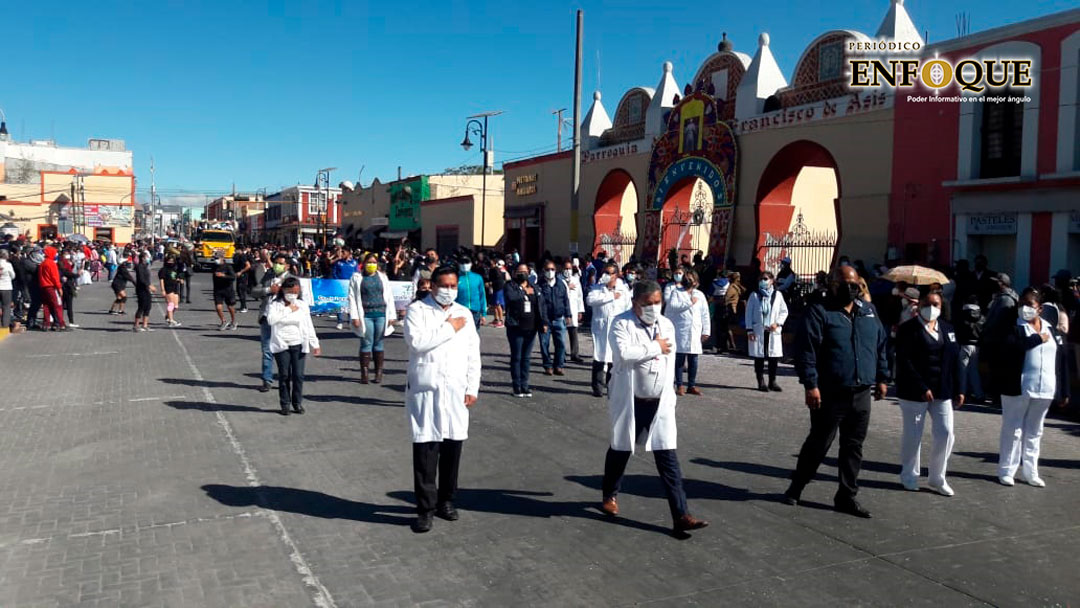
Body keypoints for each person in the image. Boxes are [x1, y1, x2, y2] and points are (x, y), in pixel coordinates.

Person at [599, 279, 710, 536]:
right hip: (630, 400)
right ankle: (609, 495)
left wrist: (670, 392)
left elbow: (669, 361)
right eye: (647, 304)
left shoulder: (667, 324)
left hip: (659, 402)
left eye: (657, 303)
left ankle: (680, 514)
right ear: (635, 303)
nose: (653, 308)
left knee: (667, 457)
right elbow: (624, 354)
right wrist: (654, 347)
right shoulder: (621, 323)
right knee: (620, 448)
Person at [785, 265, 889, 518]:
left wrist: (883, 378)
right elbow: (805, 350)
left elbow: (881, 345)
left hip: (861, 391)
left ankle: (846, 496)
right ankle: (797, 486)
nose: (850, 288)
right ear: (832, 284)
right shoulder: (820, 312)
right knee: (819, 443)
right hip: (830, 392)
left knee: (853, 446)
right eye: (844, 284)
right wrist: (811, 385)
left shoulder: (868, 312)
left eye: (854, 284)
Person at [403, 266, 481, 533]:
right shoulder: (418, 311)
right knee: (426, 450)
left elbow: (473, 353)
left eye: (453, 286)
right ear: (432, 286)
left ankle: (446, 501)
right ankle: (425, 509)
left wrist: (473, 386)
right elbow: (418, 343)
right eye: (444, 285)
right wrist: (449, 328)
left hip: (456, 389)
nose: (449, 290)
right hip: (427, 389)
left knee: (452, 448)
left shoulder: (464, 313)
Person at [996, 288, 1070, 487]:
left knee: (1035, 431)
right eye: (1022, 304)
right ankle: (1006, 470)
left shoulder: (1050, 327)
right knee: (1013, 429)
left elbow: (1060, 360)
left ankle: (1031, 471)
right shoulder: (1013, 326)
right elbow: (1011, 348)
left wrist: (1064, 391)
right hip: (1018, 386)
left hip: (1045, 387)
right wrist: (1037, 338)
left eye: (1030, 305)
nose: (1025, 309)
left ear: (1039, 308)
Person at [894, 290, 962, 496]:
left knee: (946, 433)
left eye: (936, 304)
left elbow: (955, 360)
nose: (931, 308)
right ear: (919, 304)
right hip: (915, 391)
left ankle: (937, 477)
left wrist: (960, 388)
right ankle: (909, 475)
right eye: (927, 303)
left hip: (942, 390)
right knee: (913, 435)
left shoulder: (948, 329)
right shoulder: (908, 329)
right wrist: (922, 387)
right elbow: (904, 361)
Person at [266, 277, 321, 416]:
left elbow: (308, 324)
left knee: (298, 375)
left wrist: (315, 343)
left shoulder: (302, 305)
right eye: (290, 291)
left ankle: (297, 403)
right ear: (283, 290)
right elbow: (271, 320)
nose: (293, 295)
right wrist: (288, 309)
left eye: (296, 292)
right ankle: (285, 404)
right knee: (284, 375)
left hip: (298, 343)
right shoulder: (274, 304)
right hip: (282, 344)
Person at [347, 253, 397, 384]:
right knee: (366, 342)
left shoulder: (382, 277)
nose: (372, 265)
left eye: (374, 262)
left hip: (381, 313)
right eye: (369, 262)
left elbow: (389, 297)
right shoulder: (357, 278)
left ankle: (378, 373)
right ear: (363, 264)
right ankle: (364, 373)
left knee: (379, 342)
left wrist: (392, 315)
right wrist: (354, 316)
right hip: (365, 315)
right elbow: (352, 298)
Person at [587, 262, 632, 397]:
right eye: (604, 272)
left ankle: (612, 387)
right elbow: (590, 300)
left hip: (617, 328)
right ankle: (597, 387)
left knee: (614, 358)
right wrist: (610, 296)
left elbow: (628, 308)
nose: (606, 275)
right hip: (600, 328)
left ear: (616, 275)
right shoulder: (597, 288)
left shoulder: (623, 290)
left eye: (609, 273)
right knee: (599, 356)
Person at [503, 263, 547, 397]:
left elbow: (541, 305)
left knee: (526, 358)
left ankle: (525, 385)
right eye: (519, 271)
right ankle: (517, 386)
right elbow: (511, 298)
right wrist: (523, 292)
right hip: (515, 326)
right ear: (515, 273)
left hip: (531, 327)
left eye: (525, 271)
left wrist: (544, 322)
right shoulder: (510, 286)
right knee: (517, 357)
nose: (522, 273)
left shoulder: (534, 287)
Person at [664, 269, 710, 396]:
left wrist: (706, 330)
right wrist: (689, 303)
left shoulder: (700, 295)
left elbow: (705, 314)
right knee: (679, 359)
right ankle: (679, 385)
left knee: (693, 360)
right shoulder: (676, 292)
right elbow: (673, 306)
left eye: (691, 279)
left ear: (696, 281)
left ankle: (692, 385)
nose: (689, 281)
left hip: (695, 331)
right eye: (687, 278)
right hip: (681, 330)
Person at [252, 253, 293, 392]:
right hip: (266, 317)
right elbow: (254, 291)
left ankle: (285, 379)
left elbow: (297, 300)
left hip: (283, 320)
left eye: (281, 263)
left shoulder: (291, 280)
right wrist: (268, 290)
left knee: (284, 351)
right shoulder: (269, 276)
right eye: (276, 262)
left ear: (287, 266)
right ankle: (266, 380)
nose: (277, 265)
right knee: (267, 350)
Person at [746, 271, 788, 392]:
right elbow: (748, 313)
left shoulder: (778, 295)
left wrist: (778, 323)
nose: (763, 281)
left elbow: (784, 311)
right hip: (758, 330)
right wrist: (749, 330)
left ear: (772, 281)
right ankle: (761, 381)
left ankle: (772, 381)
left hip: (772, 330)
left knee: (773, 357)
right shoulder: (754, 295)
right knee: (759, 357)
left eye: (765, 279)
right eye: (761, 279)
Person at [537, 260, 572, 376]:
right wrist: (543, 321)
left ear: (556, 271)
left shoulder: (561, 284)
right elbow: (539, 304)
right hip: (545, 321)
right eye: (547, 270)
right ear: (543, 271)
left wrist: (568, 315)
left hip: (559, 319)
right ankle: (547, 366)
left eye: (552, 269)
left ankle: (559, 365)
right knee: (544, 344)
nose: (550, 272)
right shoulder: (540, 285)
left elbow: (565, 300)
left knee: (561, 343)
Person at [955, 295, 985, 403]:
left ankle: (962, 393)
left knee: (962, 371)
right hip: (977, 346)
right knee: (974, 371)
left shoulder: (962, 314)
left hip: (964, 344)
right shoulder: (981, 316)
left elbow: (957, 328)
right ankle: (979, 394)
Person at [562, 258, 586, 363]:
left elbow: (580, 296)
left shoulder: (576, 280)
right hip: (562, 311)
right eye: (566, 268)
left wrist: (580, 311)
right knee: (561, 334)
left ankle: (574, 354)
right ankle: (561, 355)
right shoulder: (558, 279)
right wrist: (567, 287)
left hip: (574, 309)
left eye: (569, 268)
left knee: (574, 333)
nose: (568, 270)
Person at [39, 246, 66, 332]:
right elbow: (55, 277)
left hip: (43, 287)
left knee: (46, 306)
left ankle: (46, 324)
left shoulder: (42, 263)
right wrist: (59, 288)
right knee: (57, 305)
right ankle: (61, 324)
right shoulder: (51, 263)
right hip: (51, 287)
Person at [455, 256, 488, 327]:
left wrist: (483, 313)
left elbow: (482, 295)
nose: (464, 265)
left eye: (467, 262)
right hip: (460, 311)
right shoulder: (455, 277)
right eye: (462, 263)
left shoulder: (477, 277)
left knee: (474, 333)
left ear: (471, 264)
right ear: (458, 264)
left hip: (475, 311)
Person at [211, 255, 239, 331]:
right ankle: (223, 321)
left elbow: (233, 277)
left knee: (230, 307)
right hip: (218, 290)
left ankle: (233, 321)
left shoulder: (228, 267)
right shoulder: (214, 267)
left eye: (217, 259)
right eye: (214, 259)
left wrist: (223, 275)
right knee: (218, 307)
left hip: (228, 289)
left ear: (222, 259)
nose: (215, 260)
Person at [133, 252, 156, 332]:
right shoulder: (139, 267)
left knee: (148, 306)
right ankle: (136, 325)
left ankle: (145, 325)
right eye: (147, 257)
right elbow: (141, 279)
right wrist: (149, 285)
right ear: (143, 258)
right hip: (141, 289)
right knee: (141, 307)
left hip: (146, 289)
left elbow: (147, 278)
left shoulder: (145, 267)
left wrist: (150, 285)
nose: (148, 259)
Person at [158, 255, 183, 327]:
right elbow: (161, 280)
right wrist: (163, 290)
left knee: (176, 306)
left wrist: (179, 279)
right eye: (169, 260)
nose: (171, 262)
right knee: (171, 304)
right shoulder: (163, 270)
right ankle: (171, 320)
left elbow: (175, 277)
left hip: (175, 287)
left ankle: (168, 316)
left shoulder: (174, 269)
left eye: (172, 261)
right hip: (168, 288)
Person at [59, 250, 79, 328]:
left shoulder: (67, 262)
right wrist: (77, 274)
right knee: (68, 305)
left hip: (66, 285)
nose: (67, 255)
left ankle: (60, 320)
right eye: (66, 254)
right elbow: (68, 273)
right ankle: (70, 321)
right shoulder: (62, 263)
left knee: (62, 305)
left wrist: (72, 264)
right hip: (67, 286)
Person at [232, 245, 253, 312]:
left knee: (241, 291)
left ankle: (244, 307)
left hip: (243, 276)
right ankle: (243, 306)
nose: (235, 250)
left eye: (236, 249)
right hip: (240, 275)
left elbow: (248, 266)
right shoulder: (238, 256)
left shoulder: (243, 256)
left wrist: (241, 272)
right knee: (238, 290)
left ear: (240, 249)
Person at [488, 260, 508, 328]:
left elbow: (499, 280)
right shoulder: (493, 270)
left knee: (497, 304)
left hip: (499, 289)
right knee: (494, 304)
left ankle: (501, 320)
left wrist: (491, 283)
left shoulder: (498, 270)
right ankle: (496, 319)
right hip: (495, 288)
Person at [0, 250, 13, 330]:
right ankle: (5, 324)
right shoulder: (8, 265)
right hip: (6, 287)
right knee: (6, 306)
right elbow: (13, 275)